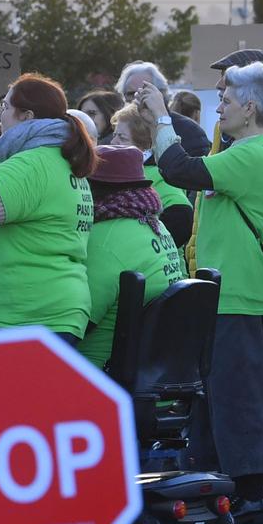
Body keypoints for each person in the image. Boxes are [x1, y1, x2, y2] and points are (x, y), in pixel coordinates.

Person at [156, 61, 263, 522]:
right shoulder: (256, 148)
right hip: (234, 290)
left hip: (240, 293)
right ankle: (231, 483)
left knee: (239, 396)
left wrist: (159, 115)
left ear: (250, 106)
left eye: (226, 101)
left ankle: (251, 492)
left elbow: (179, 169)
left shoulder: (251, 153)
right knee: (226, 393)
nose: (220, 109)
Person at [0, 73, 95, 339]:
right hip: (30, 316)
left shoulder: (35, 163)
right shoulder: (54, 160)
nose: (0, 115)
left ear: (27, 116)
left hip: (25, 319)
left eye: (5, 107)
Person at [78, 145, 187, 366]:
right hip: (157, 375)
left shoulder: (104, 238)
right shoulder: (156, 225)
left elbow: (77, 323)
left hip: (96, 379)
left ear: (93, 188)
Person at [109, 102, 193, 247]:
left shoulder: (157, 174)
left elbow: (183, 217)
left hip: (157, 267)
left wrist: (145, 248)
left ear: (145, 144)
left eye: (122, 137)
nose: (113, 142)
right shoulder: (130, 171)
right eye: (115, 135)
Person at [117, 61, 211, 156]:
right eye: (130, 93)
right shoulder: (117, 131)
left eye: (145, 92)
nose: (137, 97)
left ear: (160, 93)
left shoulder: (189, 132)